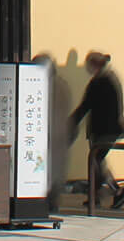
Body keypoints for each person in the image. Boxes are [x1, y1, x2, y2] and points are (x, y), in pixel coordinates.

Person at [70, 51, 124, 209]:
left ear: (94, 66)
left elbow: (85, 105)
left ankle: (115, 191)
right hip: (110, 129)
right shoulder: (110, 78)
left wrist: (71, 122)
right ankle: (96, 196)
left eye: (88, 65)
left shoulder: (100, 82)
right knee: (97, 162)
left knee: (96, 161)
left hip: (103, 130)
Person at [32, 53, 71, 213]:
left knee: (45, 170)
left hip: (46, 135)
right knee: (56, 171)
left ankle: (44, 202)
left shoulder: (42, 85)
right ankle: (53, 201)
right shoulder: (63, 84)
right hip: (60, 134)